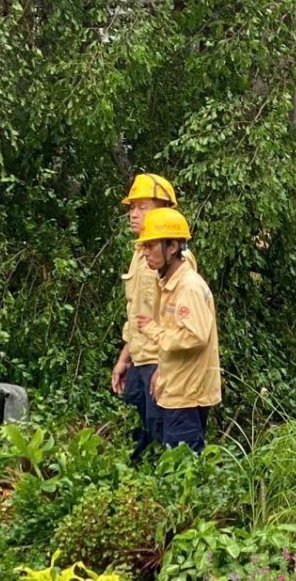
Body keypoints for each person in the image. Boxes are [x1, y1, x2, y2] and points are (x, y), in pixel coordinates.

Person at [110, 173, 177, 461]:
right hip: (140, 358)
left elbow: (174, 323)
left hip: (158, 362)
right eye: (131, 208)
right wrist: (124, 358)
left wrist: (165, 368)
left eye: (142, 207)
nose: (134, 214)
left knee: (163, 434)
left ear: (163, 209)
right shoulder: (141, 253)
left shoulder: (172, 259)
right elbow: (139, 314)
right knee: (141, 433)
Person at [142, 207, 221, 453]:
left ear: (173, 247)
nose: (145, 253)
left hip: (187, 395)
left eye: (151, 245)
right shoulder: (170, 283)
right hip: (176, 388)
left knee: (182, 470)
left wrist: (153, 331)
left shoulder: (188, 287)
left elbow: (194, 336)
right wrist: (161, 372)